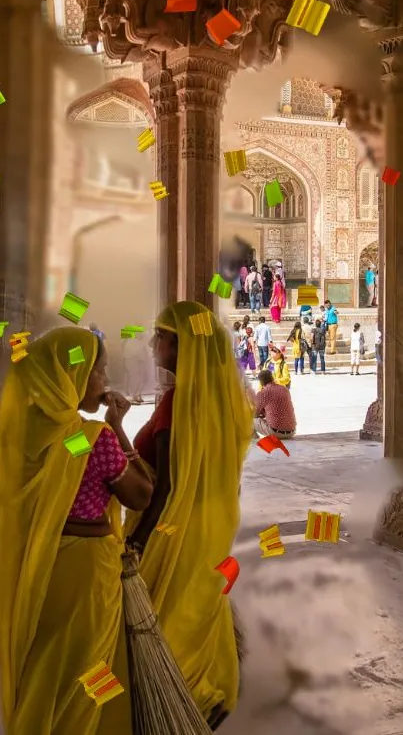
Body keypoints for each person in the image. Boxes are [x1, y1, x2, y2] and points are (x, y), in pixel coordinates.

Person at [0, 326, 154, 735]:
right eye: (100, 372)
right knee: (86, 664)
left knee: (47, 661)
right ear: (76, 377)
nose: (105, 381)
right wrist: (118, 428)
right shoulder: (90, 438)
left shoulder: (18, 434)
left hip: (37, 568)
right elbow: (140, 495)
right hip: (86, 575)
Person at [124, 302, 253, 730]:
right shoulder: (228, 398)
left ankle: (180, 701)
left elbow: (166, 487)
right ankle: (204, 694)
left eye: (160, 336)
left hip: (174, 526)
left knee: (168, 615)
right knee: (199, 606)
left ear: (182, 347)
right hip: (213, 524)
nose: (152, 343)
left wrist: (139, 539)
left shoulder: (178, 402)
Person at [253, 370, 296, 439]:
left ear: (261, 382)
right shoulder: (284, 389)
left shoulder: (263, 393)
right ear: (272, 378)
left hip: (276, 432)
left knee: (250, 420)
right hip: (291, 431)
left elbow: (255, 413)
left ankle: (255, 441)